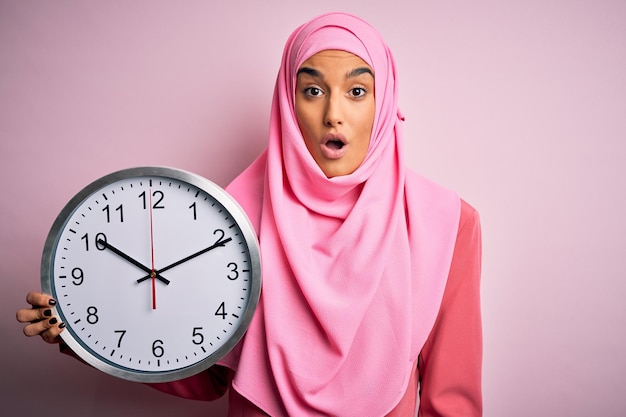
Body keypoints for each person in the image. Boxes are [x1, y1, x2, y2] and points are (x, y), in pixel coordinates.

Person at [16, 12, 482, 416]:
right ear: (286, 102)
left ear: (384, 106)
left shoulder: (446, 224)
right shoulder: (229, 220)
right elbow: (205, 373)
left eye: (357, 91)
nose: (334, 114)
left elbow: (451, 402)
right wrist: (79, 334)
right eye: (313, 90)